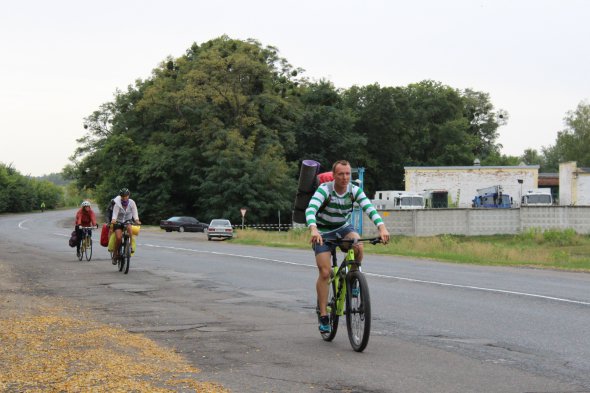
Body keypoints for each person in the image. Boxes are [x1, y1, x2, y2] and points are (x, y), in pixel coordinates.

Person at [306, 160, 390, 333]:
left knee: (357, 244)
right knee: (325, 272)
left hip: (343, 228)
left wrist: (382, 228)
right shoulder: (325, 190)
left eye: (347, 174)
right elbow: (311, 209)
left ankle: (353, 279)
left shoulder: (354, 191)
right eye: (341, 174)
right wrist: (313, 229)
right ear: (334, 175)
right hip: (322, 232)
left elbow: (370, 209)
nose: (345, 178)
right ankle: (323, 316)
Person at [110, 188, 141, 264]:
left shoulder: (132, 202)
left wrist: (137, 220)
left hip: (128, 220)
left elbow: (135, 212)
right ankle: (115, 254)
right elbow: (115, 213)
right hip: (118, 222)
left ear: (128, 195)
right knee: (118, 237)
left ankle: (130, 246)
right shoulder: (117, 204)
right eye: (123, 196)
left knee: (130, 228)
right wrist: (113, 219)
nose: (125, 197)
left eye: (126, 196)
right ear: (120, 196)